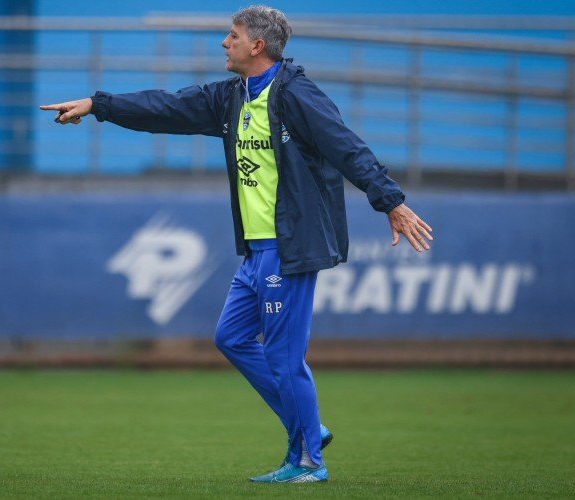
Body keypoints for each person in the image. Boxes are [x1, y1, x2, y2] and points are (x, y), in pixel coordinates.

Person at [40, 5, 433, 484]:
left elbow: (347, 147)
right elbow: (165, 107)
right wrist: (99, 105)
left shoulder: (298, 96)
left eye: (232, 35)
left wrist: (390, 201)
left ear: (257, 46)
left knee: (284, 358)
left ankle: (309, 461)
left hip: (288, 247)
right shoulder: (232, 96)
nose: (224, 43)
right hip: (256, 250)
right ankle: (309, 427)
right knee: (230, 338)